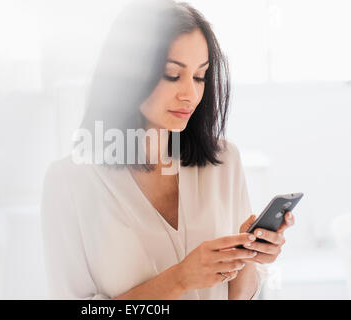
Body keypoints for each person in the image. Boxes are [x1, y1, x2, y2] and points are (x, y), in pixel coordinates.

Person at [40, 0, 294, 300]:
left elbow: (236, 297)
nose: (190, 94)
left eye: (200, 76)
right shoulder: (70, 182)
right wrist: (179, 280)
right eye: (172, 75)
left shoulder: (224, 162)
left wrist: (248, 258)